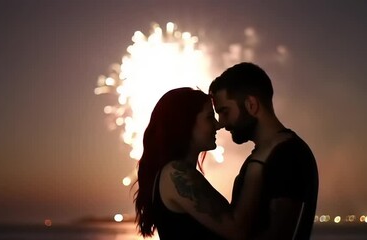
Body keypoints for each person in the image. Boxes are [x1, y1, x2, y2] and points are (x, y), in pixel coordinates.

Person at [133, 87, 289, 240]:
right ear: (185, 123)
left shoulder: (176, 172)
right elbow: (237, 229)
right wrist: (259, 161)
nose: (218, 125)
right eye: (209, 117)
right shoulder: (175, 173)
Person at [209, 62, 319, 240]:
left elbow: (279, 233)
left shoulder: (287, 155)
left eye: (225, 112)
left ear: (251, 104)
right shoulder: (271, 154)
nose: (221, 123)